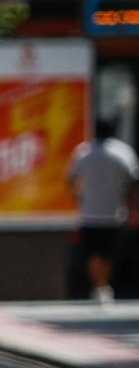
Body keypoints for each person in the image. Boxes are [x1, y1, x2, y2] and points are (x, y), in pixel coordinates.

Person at [67, 118, 139, 304]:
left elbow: (71, 179)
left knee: (93, 253)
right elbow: (132, 181)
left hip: (89, 213)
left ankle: (100, 286)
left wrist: (79, 197)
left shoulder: (83, 152)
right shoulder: (122, 152)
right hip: (114, 212)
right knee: (108, 253)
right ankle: (103, 286)